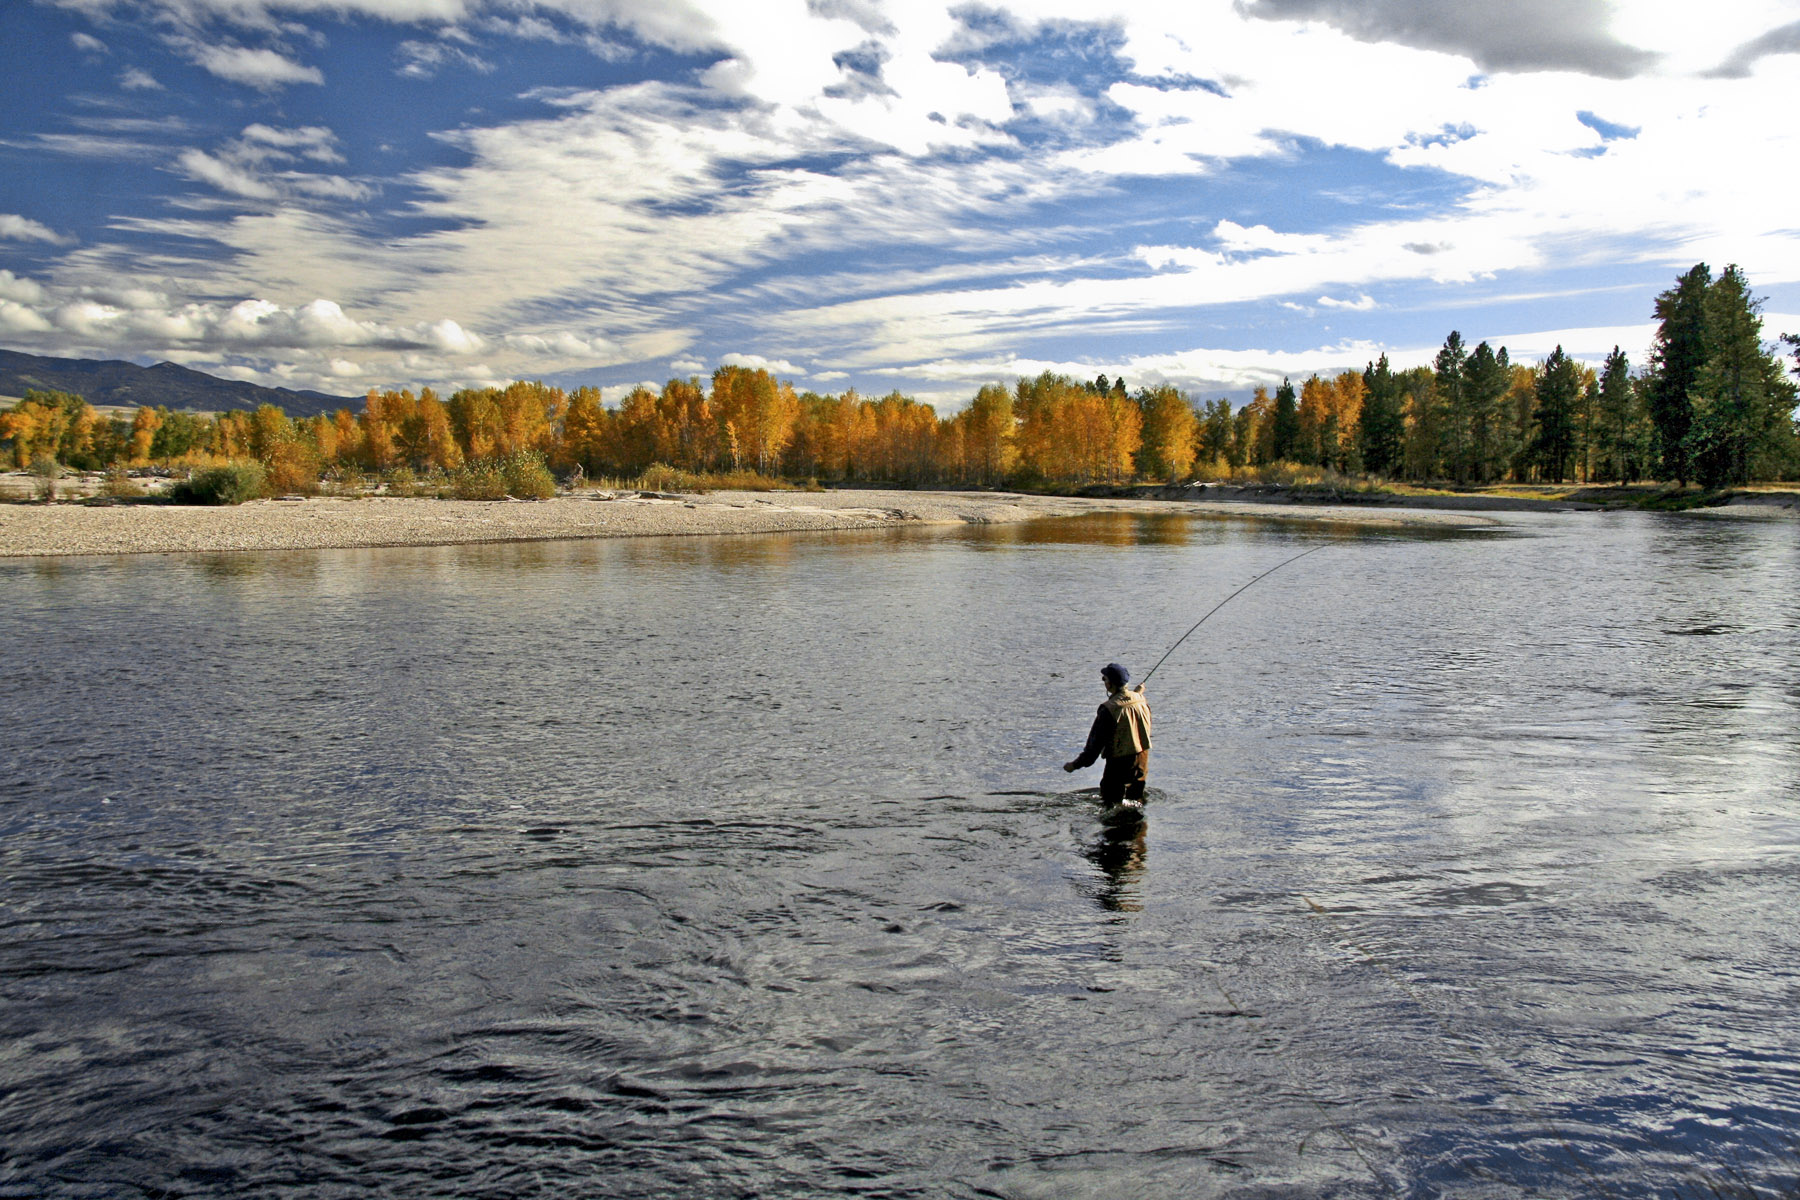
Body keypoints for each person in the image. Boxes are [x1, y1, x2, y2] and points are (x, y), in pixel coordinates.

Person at [1063, 662, 1152, 807]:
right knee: (1136, 802)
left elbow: (1093, 749)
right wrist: (1136, 693)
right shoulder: (1141, 700)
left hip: (1119, 766)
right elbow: (1131, 703)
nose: (1103, 682)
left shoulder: (1108, 710)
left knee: (1111, 805)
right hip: (1141, 762)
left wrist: (1074, 765)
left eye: (1104, 679)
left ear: (1110, 685)